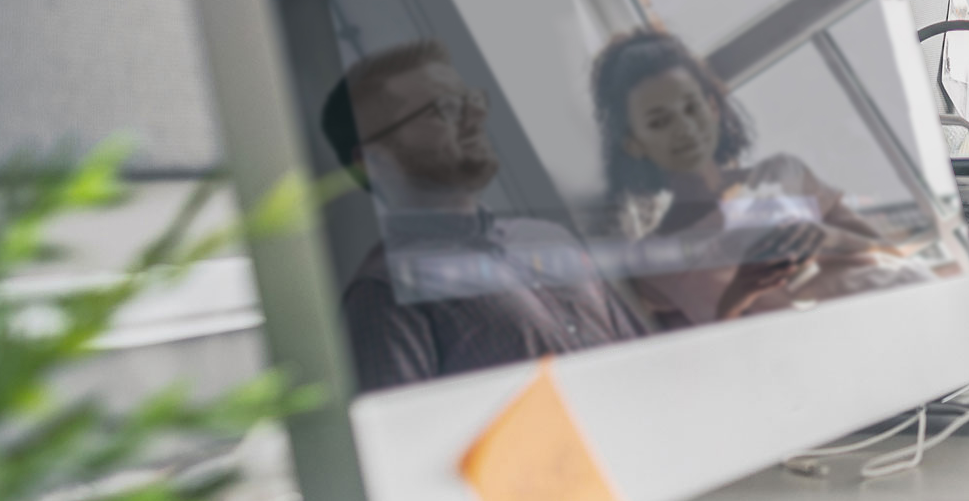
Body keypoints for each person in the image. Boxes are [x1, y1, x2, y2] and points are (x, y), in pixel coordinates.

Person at [322, 40, 648, 392]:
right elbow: (403, 440)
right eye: (444, 109)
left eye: (469, 101)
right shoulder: (383, 292)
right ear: (373, 161)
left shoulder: (548, 238)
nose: (475, 116)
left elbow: (645, 364)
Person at [588, 28, 894, 329]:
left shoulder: (784, 172)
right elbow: (706, 353)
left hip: (891, 305)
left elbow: (887, 253)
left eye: (691, 108)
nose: (684, 127)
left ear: (712, 108)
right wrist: (739, 293)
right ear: (633, 142)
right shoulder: (651, 259)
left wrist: (824, 237)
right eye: (660, 121)